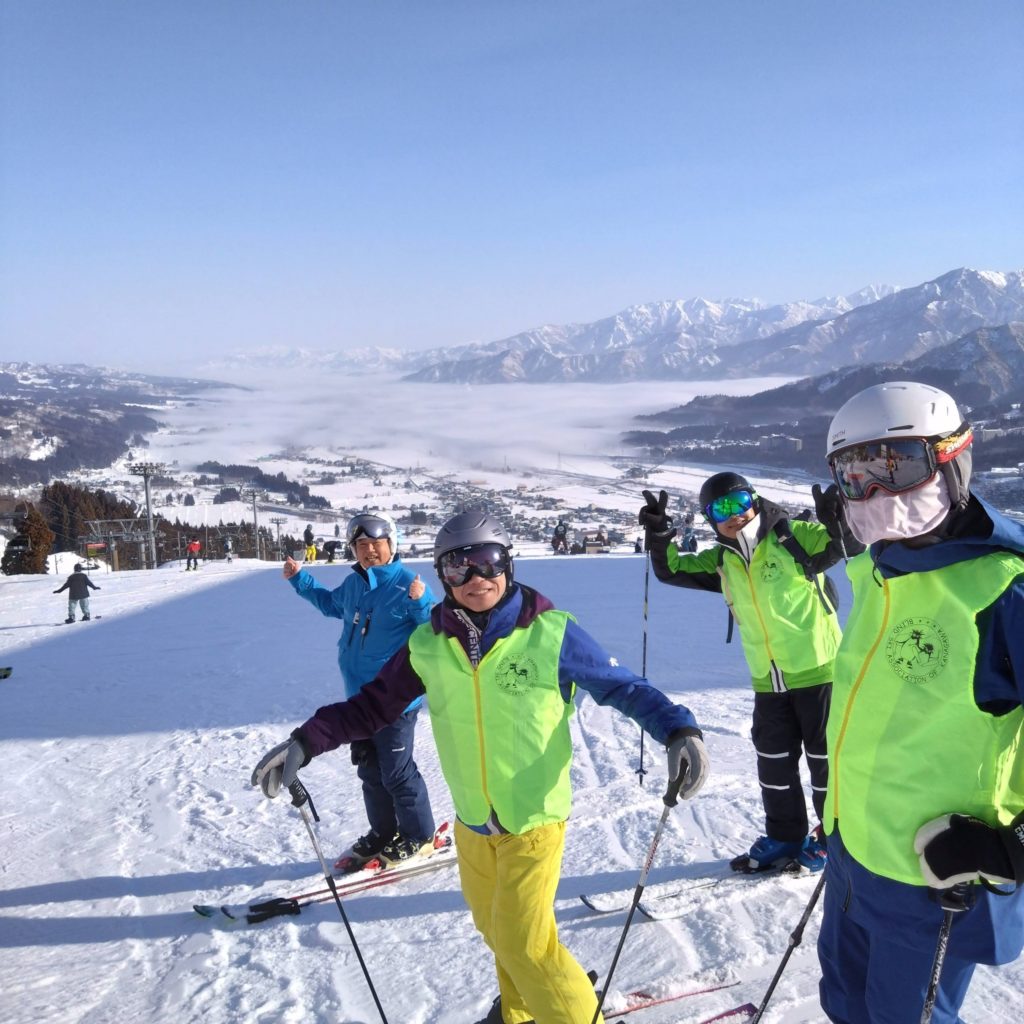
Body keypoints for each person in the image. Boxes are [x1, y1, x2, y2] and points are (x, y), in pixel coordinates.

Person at [253, 511, 710, 1024]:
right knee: (499, 931)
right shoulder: (428, 645)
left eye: (487, 562)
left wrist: (676, 728)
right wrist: (305, 742)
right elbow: (372, 706)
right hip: (474, 823)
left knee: (525, 943)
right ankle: (517, 1013)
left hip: (533, 821)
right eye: (458, 568)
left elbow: (623, 687)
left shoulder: (551, 634)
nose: (476, 579)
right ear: (442, 576)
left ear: (508, 565)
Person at [814, 381, 1024, 1024]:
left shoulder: (1003, 591)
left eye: (896, 465)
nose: (877, 493)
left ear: (952, 460)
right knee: (845, 1004)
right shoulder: (882, 569)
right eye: (856, 475)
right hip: (852, 859)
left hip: (937, 882)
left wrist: (1011, 848)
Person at [639, 471, 863, 874]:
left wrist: (839, 521)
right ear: (709, 518)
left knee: (826, 763)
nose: (734, 515)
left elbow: (842, 547)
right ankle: (786, 837)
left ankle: (834, 838)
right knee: (774, 765)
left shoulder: (794, 538)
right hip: (768, 680)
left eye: (739, 502)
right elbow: (671, 570)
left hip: (820, 672)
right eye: (720, 509)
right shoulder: (722, 560)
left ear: (754, 500)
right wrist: (659, 536)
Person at [279, 510, 437, 868]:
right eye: (360, 544)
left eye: (375, 543)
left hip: (396, 701)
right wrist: (300, 580)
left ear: (391, 545)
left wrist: (422, 603)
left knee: (396, 771)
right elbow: (332, 605)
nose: (368, 551)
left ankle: (419, 835)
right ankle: (383, 831)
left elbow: (433, 632)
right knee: (370, 769)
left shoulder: (408, 584)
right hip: (358, 700)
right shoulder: (355, 584)